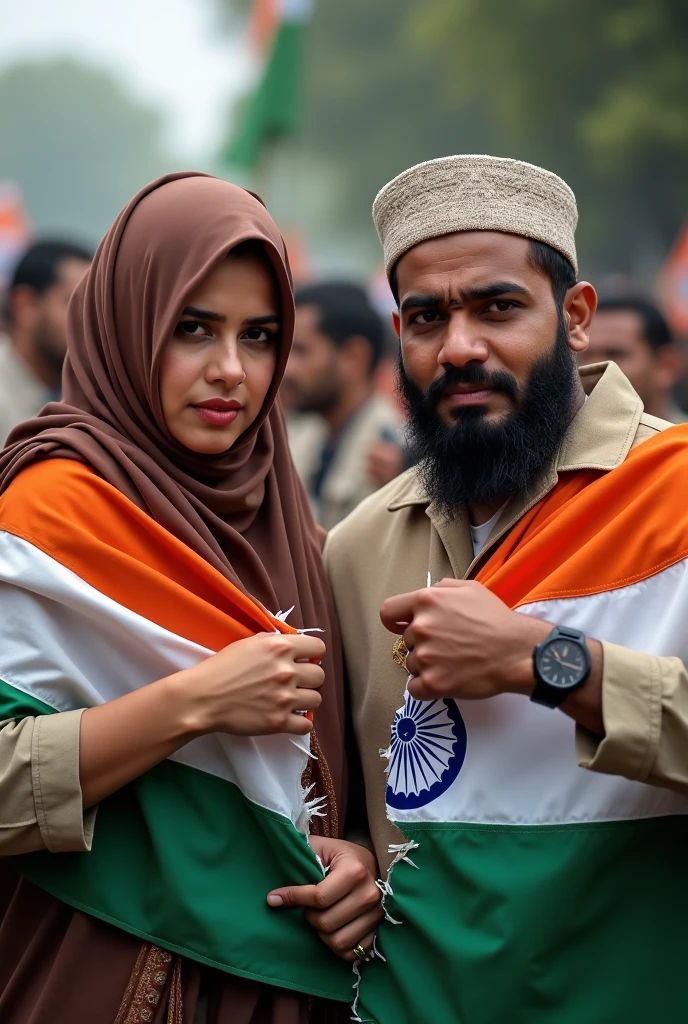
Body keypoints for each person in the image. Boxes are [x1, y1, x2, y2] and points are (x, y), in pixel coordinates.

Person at [0, 173, 381, 1024]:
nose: (229, 371)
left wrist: (357, 859)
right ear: (128, 325)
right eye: (193, 329)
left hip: (280, 978)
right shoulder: (50, 512)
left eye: (260, 337)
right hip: (87, 971)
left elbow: (326, 783)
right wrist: (195, 701)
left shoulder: (295, 527)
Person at [320, 156, 688, 1023]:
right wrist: (342, 862)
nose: (459, 348)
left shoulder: (673, 493)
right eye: (425, 318)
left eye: (498, 308)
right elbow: (347, 806)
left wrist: (548, 662)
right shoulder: (359, 544)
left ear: (576, 317)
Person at [283, 282, 405, 529]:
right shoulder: (304, 438)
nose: (287, 369)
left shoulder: (395, 454)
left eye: (301, 351)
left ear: (354, 357)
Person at [0, 239, 92, 441]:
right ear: (24, 305)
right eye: (74, 303)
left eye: (94, 307)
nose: (90, 322)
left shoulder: (88, 393)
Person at [580, 294, 686, 422]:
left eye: (615, 354)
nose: (596, 366)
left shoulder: (682, 439)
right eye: (586, 355)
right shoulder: (561, 440)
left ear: (666, 366)